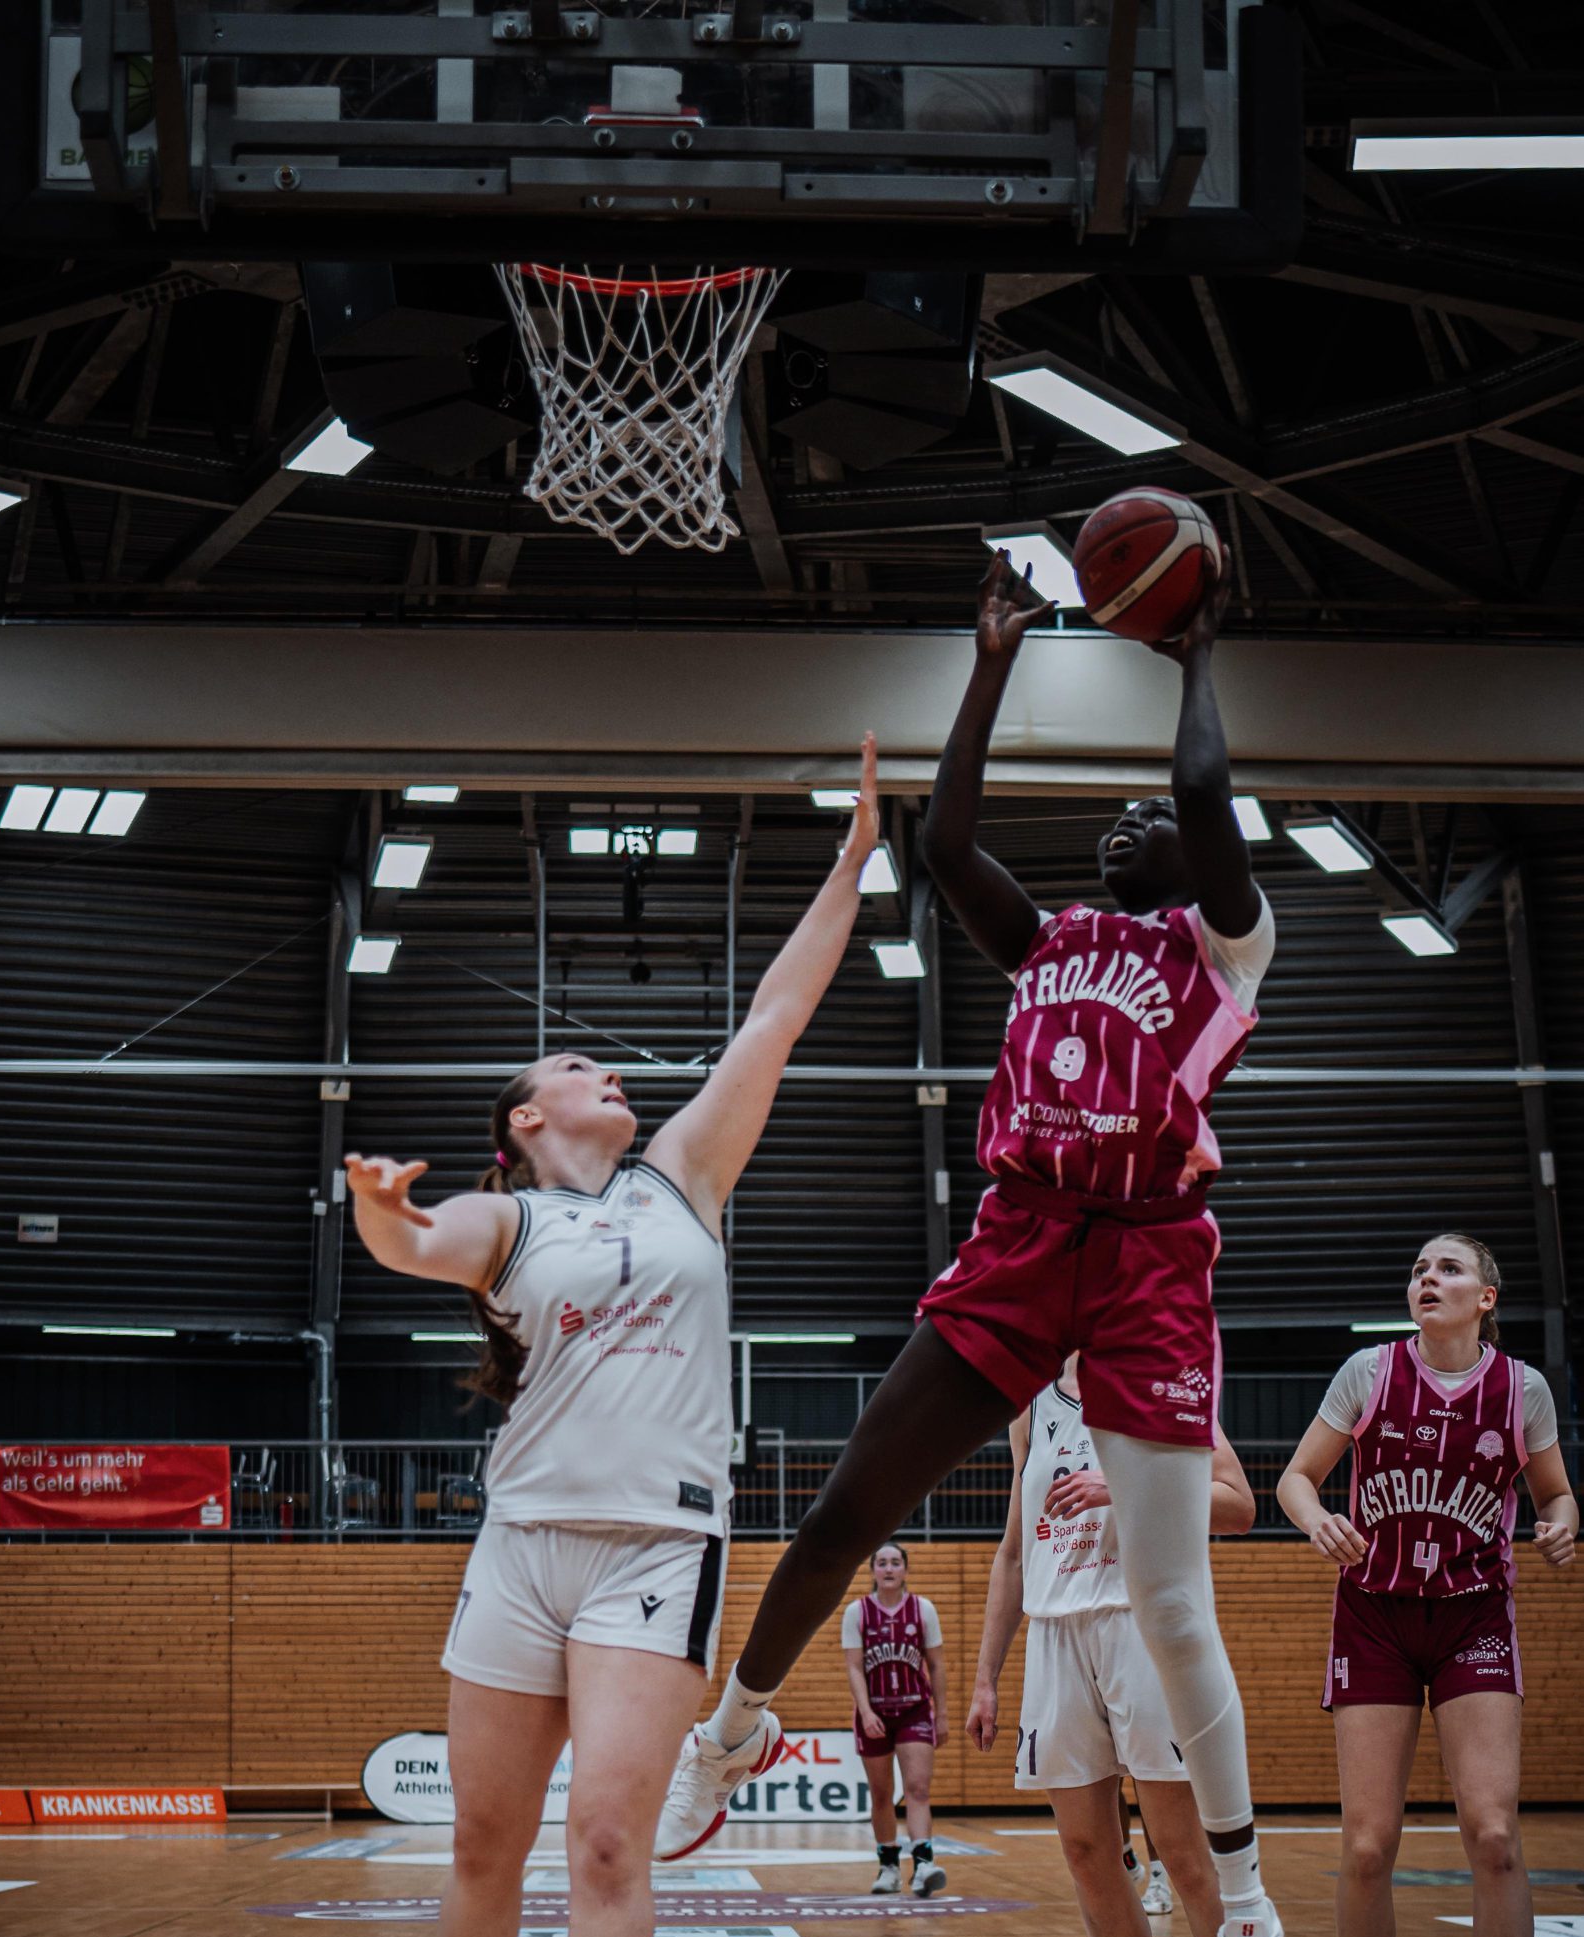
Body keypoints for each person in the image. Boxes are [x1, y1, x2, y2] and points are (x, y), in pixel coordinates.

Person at [659, 553, 1284, 1937]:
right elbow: (942, 849)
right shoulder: (1051, 934)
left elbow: (1193, 790)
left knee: (1173, 1604)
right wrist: (988, 665)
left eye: (1146, 823)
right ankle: (732, 1730)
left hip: (1142, 1259)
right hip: (1019, 1235)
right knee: (844, 1508)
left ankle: (1238, 1895)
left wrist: (1192, 648)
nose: (1127, 824)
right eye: (1113, 820)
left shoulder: (1228, 947)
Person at [346, 737, 882, 1937]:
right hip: (522, 1545)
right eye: (578, 1063)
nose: (608, 1068)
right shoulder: (510, 1213)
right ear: (529, 1115)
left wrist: (851, 864)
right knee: (482, 1843)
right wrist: (385, 1211)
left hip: (656, 1547)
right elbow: (422, 1245)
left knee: (602, 1842)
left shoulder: (678, 1175)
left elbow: (775, 1018)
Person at [1277, 1234, 1577, 1937]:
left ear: (1484, 1297)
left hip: (1471, 1620)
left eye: (1447, 1268)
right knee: (1366, 1845)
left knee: (1495, 1835)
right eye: (1417, 1269)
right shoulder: (1367, 1372)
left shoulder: (1520, 1388)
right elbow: (1295, 1477)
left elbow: (1556, 1494)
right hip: (1373, 1616)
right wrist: (1317, 1519)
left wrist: (1561, 1524)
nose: (1426, 1278)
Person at [968, 1353, 1256, 1937]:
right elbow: (1015, 1552)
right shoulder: (1029, 1403)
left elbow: (1238, 1504)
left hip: (1141, 1624)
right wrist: (985, 1679)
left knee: (1179, 1850)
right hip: (1054, 1636)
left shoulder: (1161, 1378)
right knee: (1084, 1853)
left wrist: (1122, 1487)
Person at [843, 1541, 949, 1897]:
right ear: (873, 1570)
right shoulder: (857, 1612)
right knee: (881, 1793)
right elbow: (855, 1668)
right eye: (882, 1563)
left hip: (914, 1710)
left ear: (905, 1569)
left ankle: (923, 1865)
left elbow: (936, 1664)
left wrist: (942, 1713)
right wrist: (866, 1711)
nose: (888, 1569)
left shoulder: (924, 1609)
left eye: (895, 1563)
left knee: (918, 1788)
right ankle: (888, 1865)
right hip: (874, 1713)